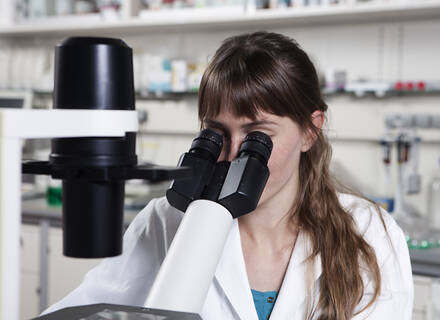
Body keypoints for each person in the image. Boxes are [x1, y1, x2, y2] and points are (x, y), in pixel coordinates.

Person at [42, 31, 413, 320]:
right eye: (216, 133)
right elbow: (79, 309)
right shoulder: (165, 222)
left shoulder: (368, 231)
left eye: (258, 138)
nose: (234, 154)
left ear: (310, 131)